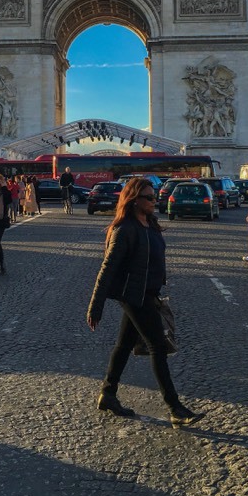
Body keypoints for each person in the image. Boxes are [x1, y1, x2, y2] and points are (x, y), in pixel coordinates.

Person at [86, 177, 203, 428]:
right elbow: (107, 268)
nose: (154, 200)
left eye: (154, 196)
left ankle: (108, 393)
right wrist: (96, 305)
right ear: (133, 200)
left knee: (124, 344)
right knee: (158, 347)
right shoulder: (125, 229)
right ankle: (174, 407)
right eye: (149, 197)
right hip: (134, 295)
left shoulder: (149, 223)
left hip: (149, 292)